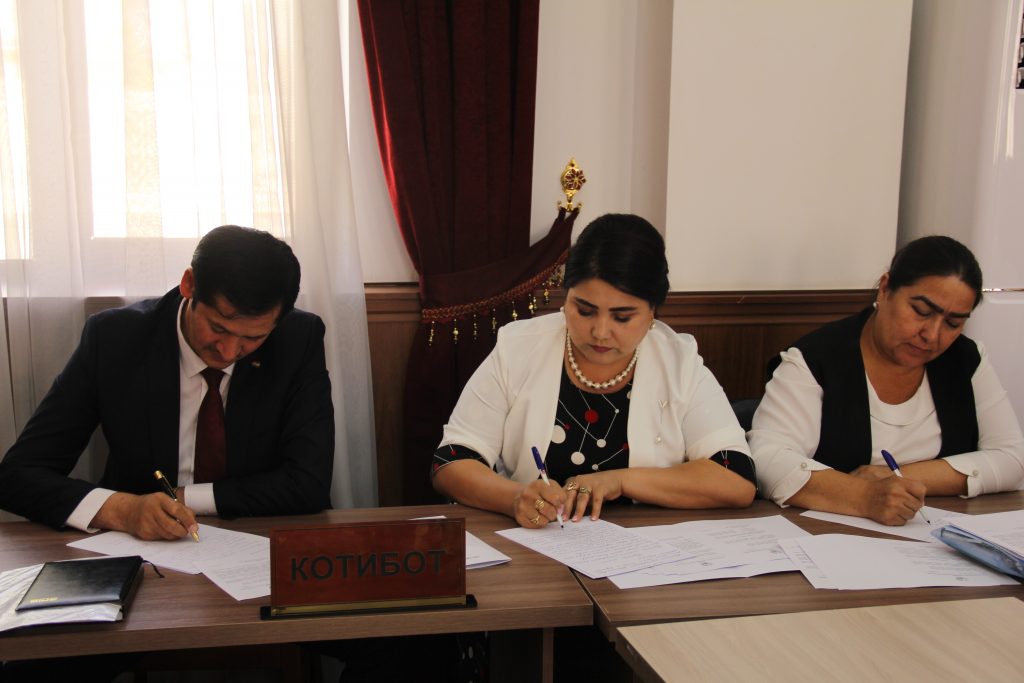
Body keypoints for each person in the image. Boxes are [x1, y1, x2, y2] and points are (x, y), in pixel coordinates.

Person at [0, 225, 334, 540]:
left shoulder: (297, 340)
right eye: (218, 328)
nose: (229, 351)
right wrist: (123, 510)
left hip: (256, 539)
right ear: (188, 285)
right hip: (138, 547)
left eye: (253, 338)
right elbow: (18, 475)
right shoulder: (115, 339)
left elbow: (309, 483)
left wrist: (180, 498)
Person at [432, 213, 756, 526]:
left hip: (645, 550)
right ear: (566, 298)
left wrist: (621, 481)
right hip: (535, 543)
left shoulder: (679, 362)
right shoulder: (518, 348)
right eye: (585, 310)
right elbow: (452, 461)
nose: (600, 332)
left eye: (622, 317)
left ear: (653, 312)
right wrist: (514, 498)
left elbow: (736, 477)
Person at [749, 235, 1024, 525]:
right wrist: (863, 496)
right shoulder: (815, 359)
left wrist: (899, 478)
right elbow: (768, 459)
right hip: (828, 534)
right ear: (884, 289)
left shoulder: (966, 360)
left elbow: (1013, 459)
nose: (932, 335)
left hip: (935, 535)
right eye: (921, 311)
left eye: (953, 323)